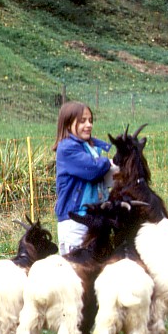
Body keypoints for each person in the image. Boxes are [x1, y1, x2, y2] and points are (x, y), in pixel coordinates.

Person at [52, 101, 118, 255]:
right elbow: (92, 169)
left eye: (90, 120)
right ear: (68, 124)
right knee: (77, 266)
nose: (89, 125)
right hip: (76, 220)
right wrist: (107, 162)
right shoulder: (67, 148)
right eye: (82, 121)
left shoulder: (89, 147)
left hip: (93, 218)